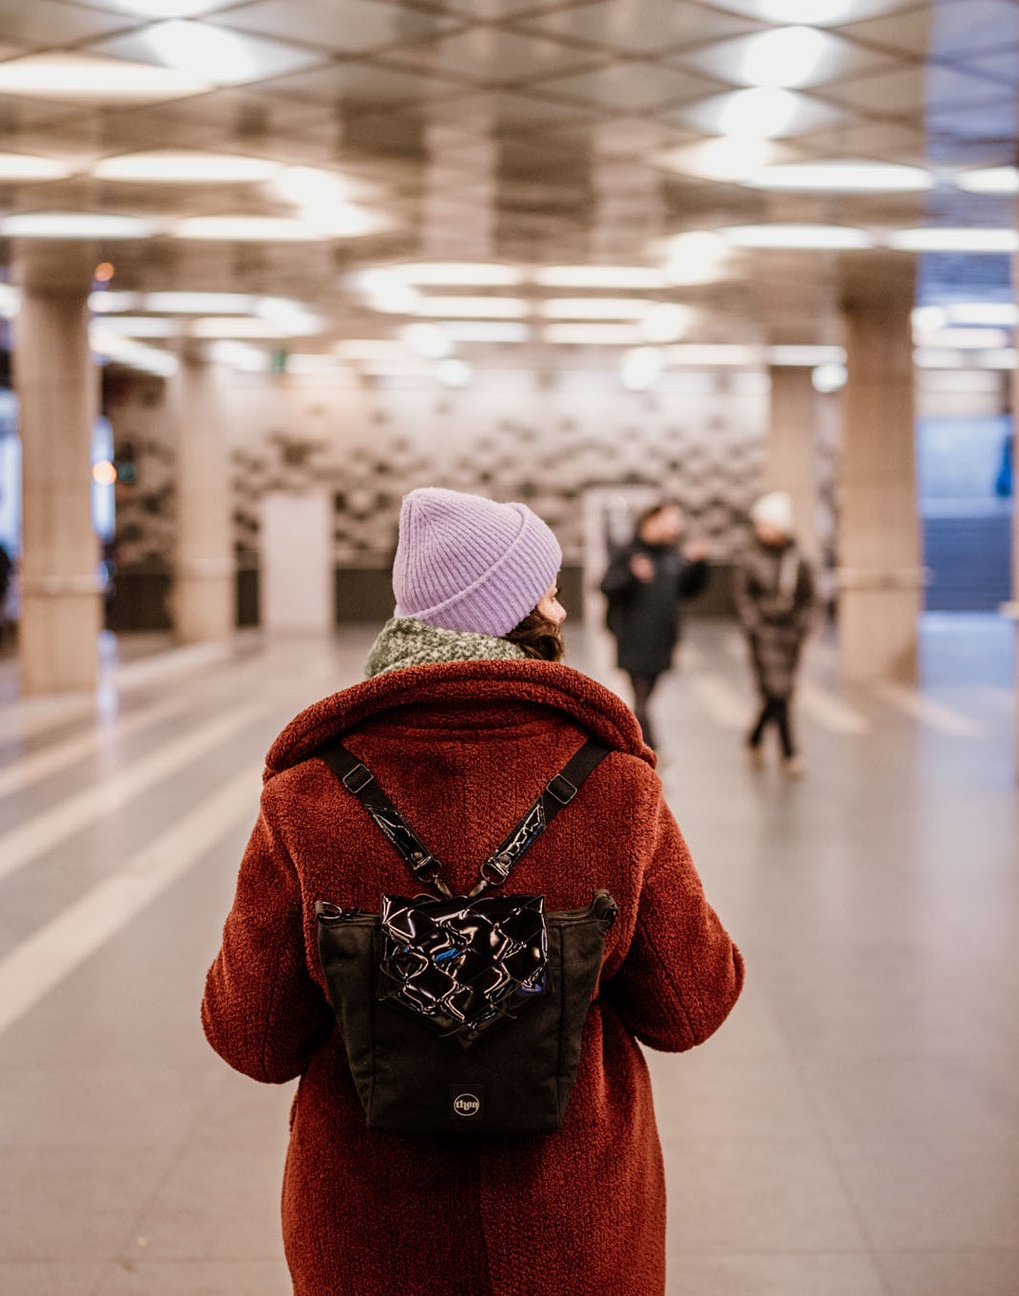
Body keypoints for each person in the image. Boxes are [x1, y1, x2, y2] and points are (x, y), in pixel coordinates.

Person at [203, 486, 743, 1296]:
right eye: (548, 589)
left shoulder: (309, 793)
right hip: (572, 1232)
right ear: (513, 613)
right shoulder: (615, 784)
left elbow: (251, 1035)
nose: (561, 608)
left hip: (372, 1236)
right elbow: (693, 1003)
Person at [599, 500, 710, 751]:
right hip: (634, 639)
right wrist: (631, 575)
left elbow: (689, 589)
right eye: (670, 522)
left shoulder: (672, 555)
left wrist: (699, 564)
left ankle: (639, 745)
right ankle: (650, 749)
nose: (675, 528)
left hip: (663, 640)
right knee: (641, 698)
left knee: (646, 697)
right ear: (651, 521)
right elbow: (607, 586)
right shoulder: (629, 553)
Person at [734, 491, 816, 776]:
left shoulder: (799, 560)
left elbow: (809, 599)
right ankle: (789, 752)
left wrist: (801, 628)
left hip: (790, 635)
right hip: (764, 636)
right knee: (777, 692)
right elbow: (744, 598)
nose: (762, 531)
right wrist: (755, 627)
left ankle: (755, 736)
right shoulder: (751, 559)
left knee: (779, 693)